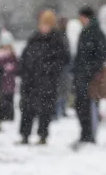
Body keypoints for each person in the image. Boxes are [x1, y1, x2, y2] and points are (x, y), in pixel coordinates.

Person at [19, 10, 72, 144]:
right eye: (42, 24)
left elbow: (64, 60)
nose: (44, 27)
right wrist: (24, 70)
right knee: (27, 109)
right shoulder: (34, 38)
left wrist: (50, 70)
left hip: (47, 81)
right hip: (30, 80)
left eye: (47, 25)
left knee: (45, 110)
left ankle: (43, 135)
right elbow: (25, 56)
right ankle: (25, 135)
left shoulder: (57, 40)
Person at [72, 6, 106, 145]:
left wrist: (92, 70)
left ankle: (90, 135)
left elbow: (102, 55)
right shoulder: (85, 32)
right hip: (81, 75)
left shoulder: (97, 33)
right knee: (80, 106)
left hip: (91, 78)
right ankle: (84, 134)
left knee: (90, 106)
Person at [0, 31, 20, 122]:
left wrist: (11, 68)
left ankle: (9, 116)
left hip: (10, 82)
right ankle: (1, 116)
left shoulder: (12, 54)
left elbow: (17, 67)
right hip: (1, 82)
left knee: (9, 99)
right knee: (1, 99)